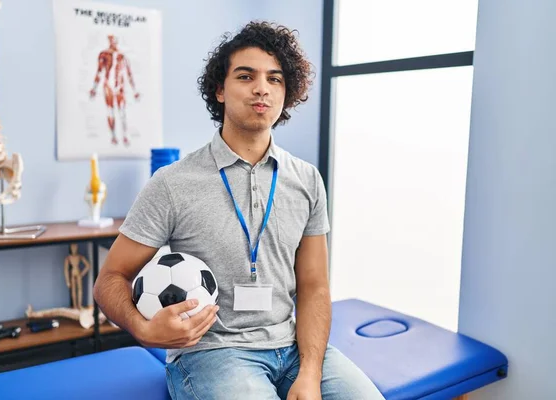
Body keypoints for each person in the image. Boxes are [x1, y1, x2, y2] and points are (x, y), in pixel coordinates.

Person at [94, 21, 385, 400]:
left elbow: (314, 286)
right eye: (246, 76)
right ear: (219, 89)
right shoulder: (172, 183)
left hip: (295, 350)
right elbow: (110, 279)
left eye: (275, 79)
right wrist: (145, 329)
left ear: (287, 92)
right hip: (213, 353)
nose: (262, 87)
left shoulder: (307, 180)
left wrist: (311, 372)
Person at [89, 34, 140, 146]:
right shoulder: (104, 54)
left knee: (122, 112)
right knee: (110, 111)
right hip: (108, 86)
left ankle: (125, 136)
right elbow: (99, 71)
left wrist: (134, 91)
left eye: (114, 40)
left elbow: (129, 74)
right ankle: (113, 136)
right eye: (111, 40)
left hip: (119, 87)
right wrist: (94, 88)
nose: (113, 42)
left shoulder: (122, 56)